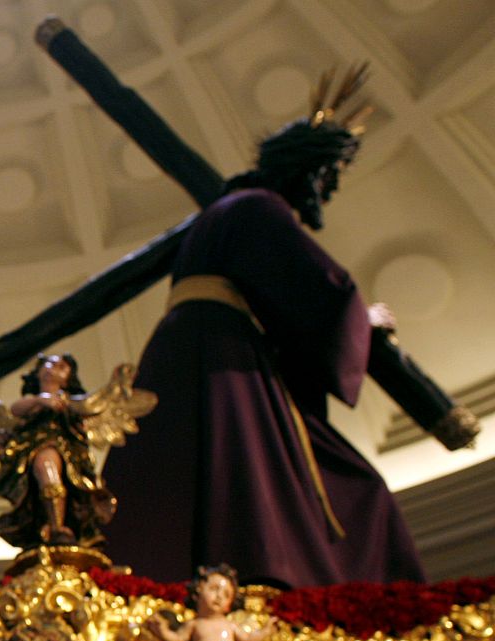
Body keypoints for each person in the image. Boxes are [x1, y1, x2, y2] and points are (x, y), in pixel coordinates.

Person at [100, 73, 426, 589]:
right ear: (305, 169)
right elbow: (316, 289)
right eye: (328, 175)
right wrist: (359, 320)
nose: (332, 188)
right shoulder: (259, 208)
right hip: (223, 360)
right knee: (350, 491)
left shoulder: (229, 211)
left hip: (198, 353)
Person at [0, 353, 114, 549]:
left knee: (66, 484)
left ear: (69, 378)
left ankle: (59, 525)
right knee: (46, 471)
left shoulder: (72, 402)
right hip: (38, 446)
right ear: (38, 372)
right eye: (49, 363)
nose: (54, 367)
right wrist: (42, 401)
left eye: (62, 366)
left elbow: (89, 413)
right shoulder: (32, 402)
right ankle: (56, 528)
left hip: (69, 453)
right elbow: (15, 410)